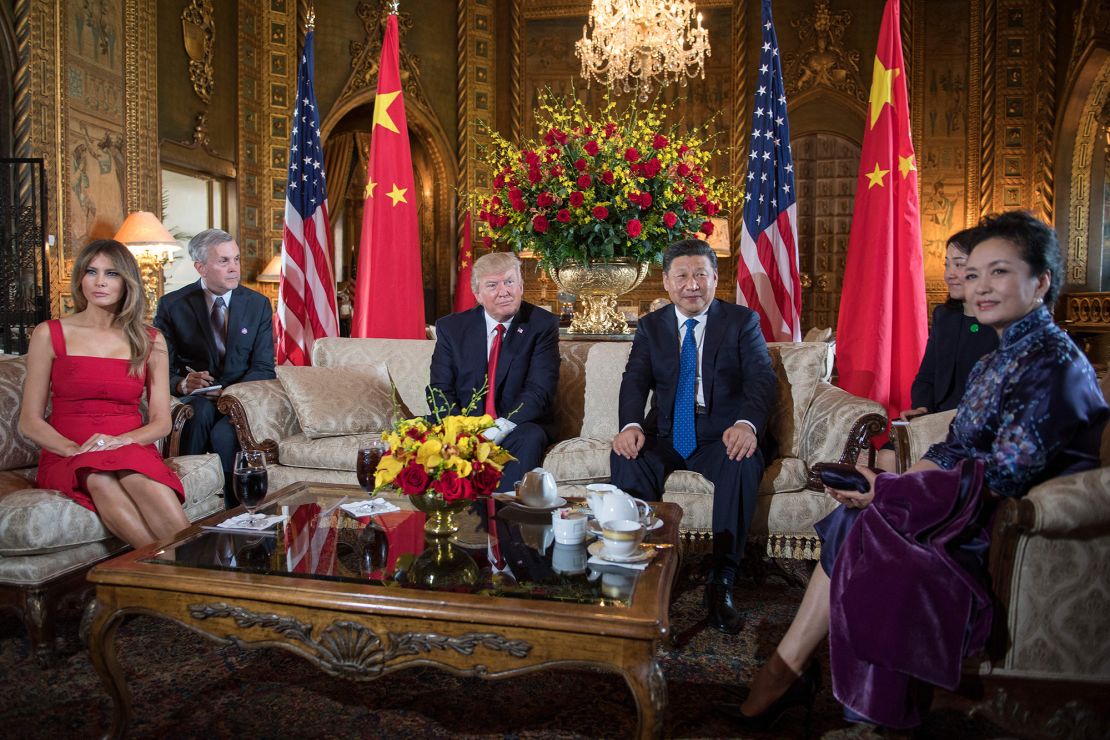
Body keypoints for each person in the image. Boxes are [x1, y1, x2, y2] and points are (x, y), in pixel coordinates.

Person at [727, 211, 1108, 730]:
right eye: (972, 275)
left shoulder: (1054, 363)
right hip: (969, 498)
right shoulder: (996, 359)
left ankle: (816, 684)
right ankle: (794, 671)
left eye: (998, 272)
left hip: (1008, 524)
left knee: (871, 527)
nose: (979, 287)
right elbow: (954, 449)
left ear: (1040, 282)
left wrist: (896, 494)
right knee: (855, 518)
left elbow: (1007, 476)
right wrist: (897, 485)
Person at [610, 239, 776, 634]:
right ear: (666, 282)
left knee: (743, 461)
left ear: (715, 279)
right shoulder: (652, 327)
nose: (692, 284)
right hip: (668, 432)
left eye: (701, 274)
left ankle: (723, 578)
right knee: (627, 456)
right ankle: (642, 566)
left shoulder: (741, 321)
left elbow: (761, 379)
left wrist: (747, 425)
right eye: (682, 275)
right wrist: (631, 425)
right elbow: (635, 379)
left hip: (722, 435)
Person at [19, 240, 189, 548]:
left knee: (142, 479)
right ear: (80, 279)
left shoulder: (150, 339)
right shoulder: (49, 333)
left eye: (111, 273)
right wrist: (74, 450)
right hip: (69, 452)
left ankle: (193, 570)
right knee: (98, 477)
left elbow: (162, 422)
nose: (99, 282)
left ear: (127, 282)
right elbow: (29, 421)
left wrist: (124, 441)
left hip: (128, 445)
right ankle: (166, 574)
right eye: (91, 272)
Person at [154, 229, 276, 507]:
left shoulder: (257, 305)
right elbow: (161, 366)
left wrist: (229, 395)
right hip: (197, 398)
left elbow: (263, 367)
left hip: (241, 399)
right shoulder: (172, 306)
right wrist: (183, 384)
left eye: (236, 259)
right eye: (223, 261)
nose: (234, 268)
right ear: (200, 267)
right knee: (197, 417)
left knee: (225, 434)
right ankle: (186, 503)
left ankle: (238, 510)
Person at [427, 251, 560, 492]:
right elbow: (439, 387)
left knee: (530, 438)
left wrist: (497, 430)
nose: (504, 291)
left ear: (520, 286)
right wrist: (458, 430)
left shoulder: (542, 325)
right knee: (414, 433)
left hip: (516, 425)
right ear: (477, 295)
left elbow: (539, 391)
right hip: (463, 422)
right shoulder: (452, 328)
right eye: (492, 285)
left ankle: (506, 519)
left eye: (509, 282)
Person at [875, 228, 1000, 470]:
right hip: (933, 417)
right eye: (947, 264)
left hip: (975, 426)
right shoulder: (945, 316)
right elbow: (927, 377)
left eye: (959, 264)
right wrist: (922, 407)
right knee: (886, 457)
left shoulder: (1001, 324)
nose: (950, 274)